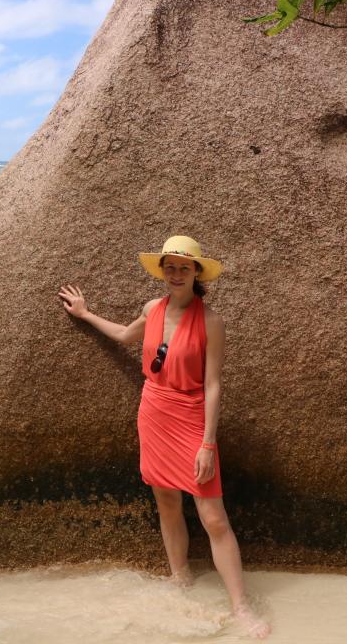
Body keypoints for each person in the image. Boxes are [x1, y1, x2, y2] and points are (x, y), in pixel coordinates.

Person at [58, 235, 271, 639]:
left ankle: (241, 606)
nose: (175, 274)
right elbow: (124, 336)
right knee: (167, 504)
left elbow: (213, 386)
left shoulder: (211, 322)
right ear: (163, 271)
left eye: (183, 268)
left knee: (214, 517)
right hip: (154, 412)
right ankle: (180, 576)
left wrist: (208, 443)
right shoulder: (152, 308)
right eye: (169, 267)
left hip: (191, 417)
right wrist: (85, 314)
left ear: (196, 273)